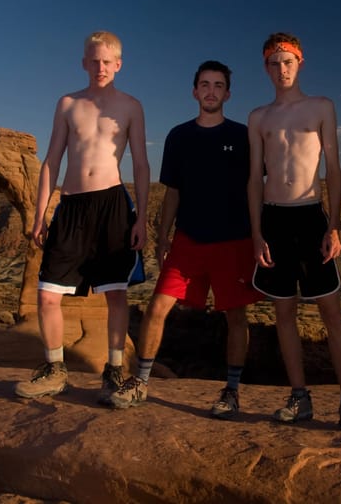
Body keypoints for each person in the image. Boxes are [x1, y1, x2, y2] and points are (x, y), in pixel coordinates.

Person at [109, 60, 260, 417]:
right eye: (205, 85)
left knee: (236, 316)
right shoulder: (179, 136)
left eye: (218, 85)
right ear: (195, 91)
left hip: (233, 239)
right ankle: (141, 382)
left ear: (227, 93)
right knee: (157, 306)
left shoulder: (242, 136)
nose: (211, 91)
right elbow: (172, 191)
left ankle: (232, 391)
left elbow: (255, 187)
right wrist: (163, 236)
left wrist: (258, 234)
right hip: (188, 240)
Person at [14, 31, 150, 403]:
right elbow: (52, 161)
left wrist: (141, 218)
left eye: (107, 61)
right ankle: (55, 370)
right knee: (47, 295)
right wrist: (40, 214)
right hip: (71, 206)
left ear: (118, 65)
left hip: (112, 206)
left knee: (116, 296)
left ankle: (114, 372)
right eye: (94, 60)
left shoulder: (131, 106)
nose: (100, 67)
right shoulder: (68, 104)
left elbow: (140, 163)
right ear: (84, 63)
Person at [247, 32, 341, 432]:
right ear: (265, 67)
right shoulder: (258, 117)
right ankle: (299, 397)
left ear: (300, 63)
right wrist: (257, 233)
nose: (281, 69)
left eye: (288, 62)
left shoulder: (321, 107)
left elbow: (333, 170)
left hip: (312, 216)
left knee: (331, 312)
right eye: (274, 63)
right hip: (274, 219)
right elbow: (253, 179)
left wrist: (333, 226)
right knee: (284, 312)